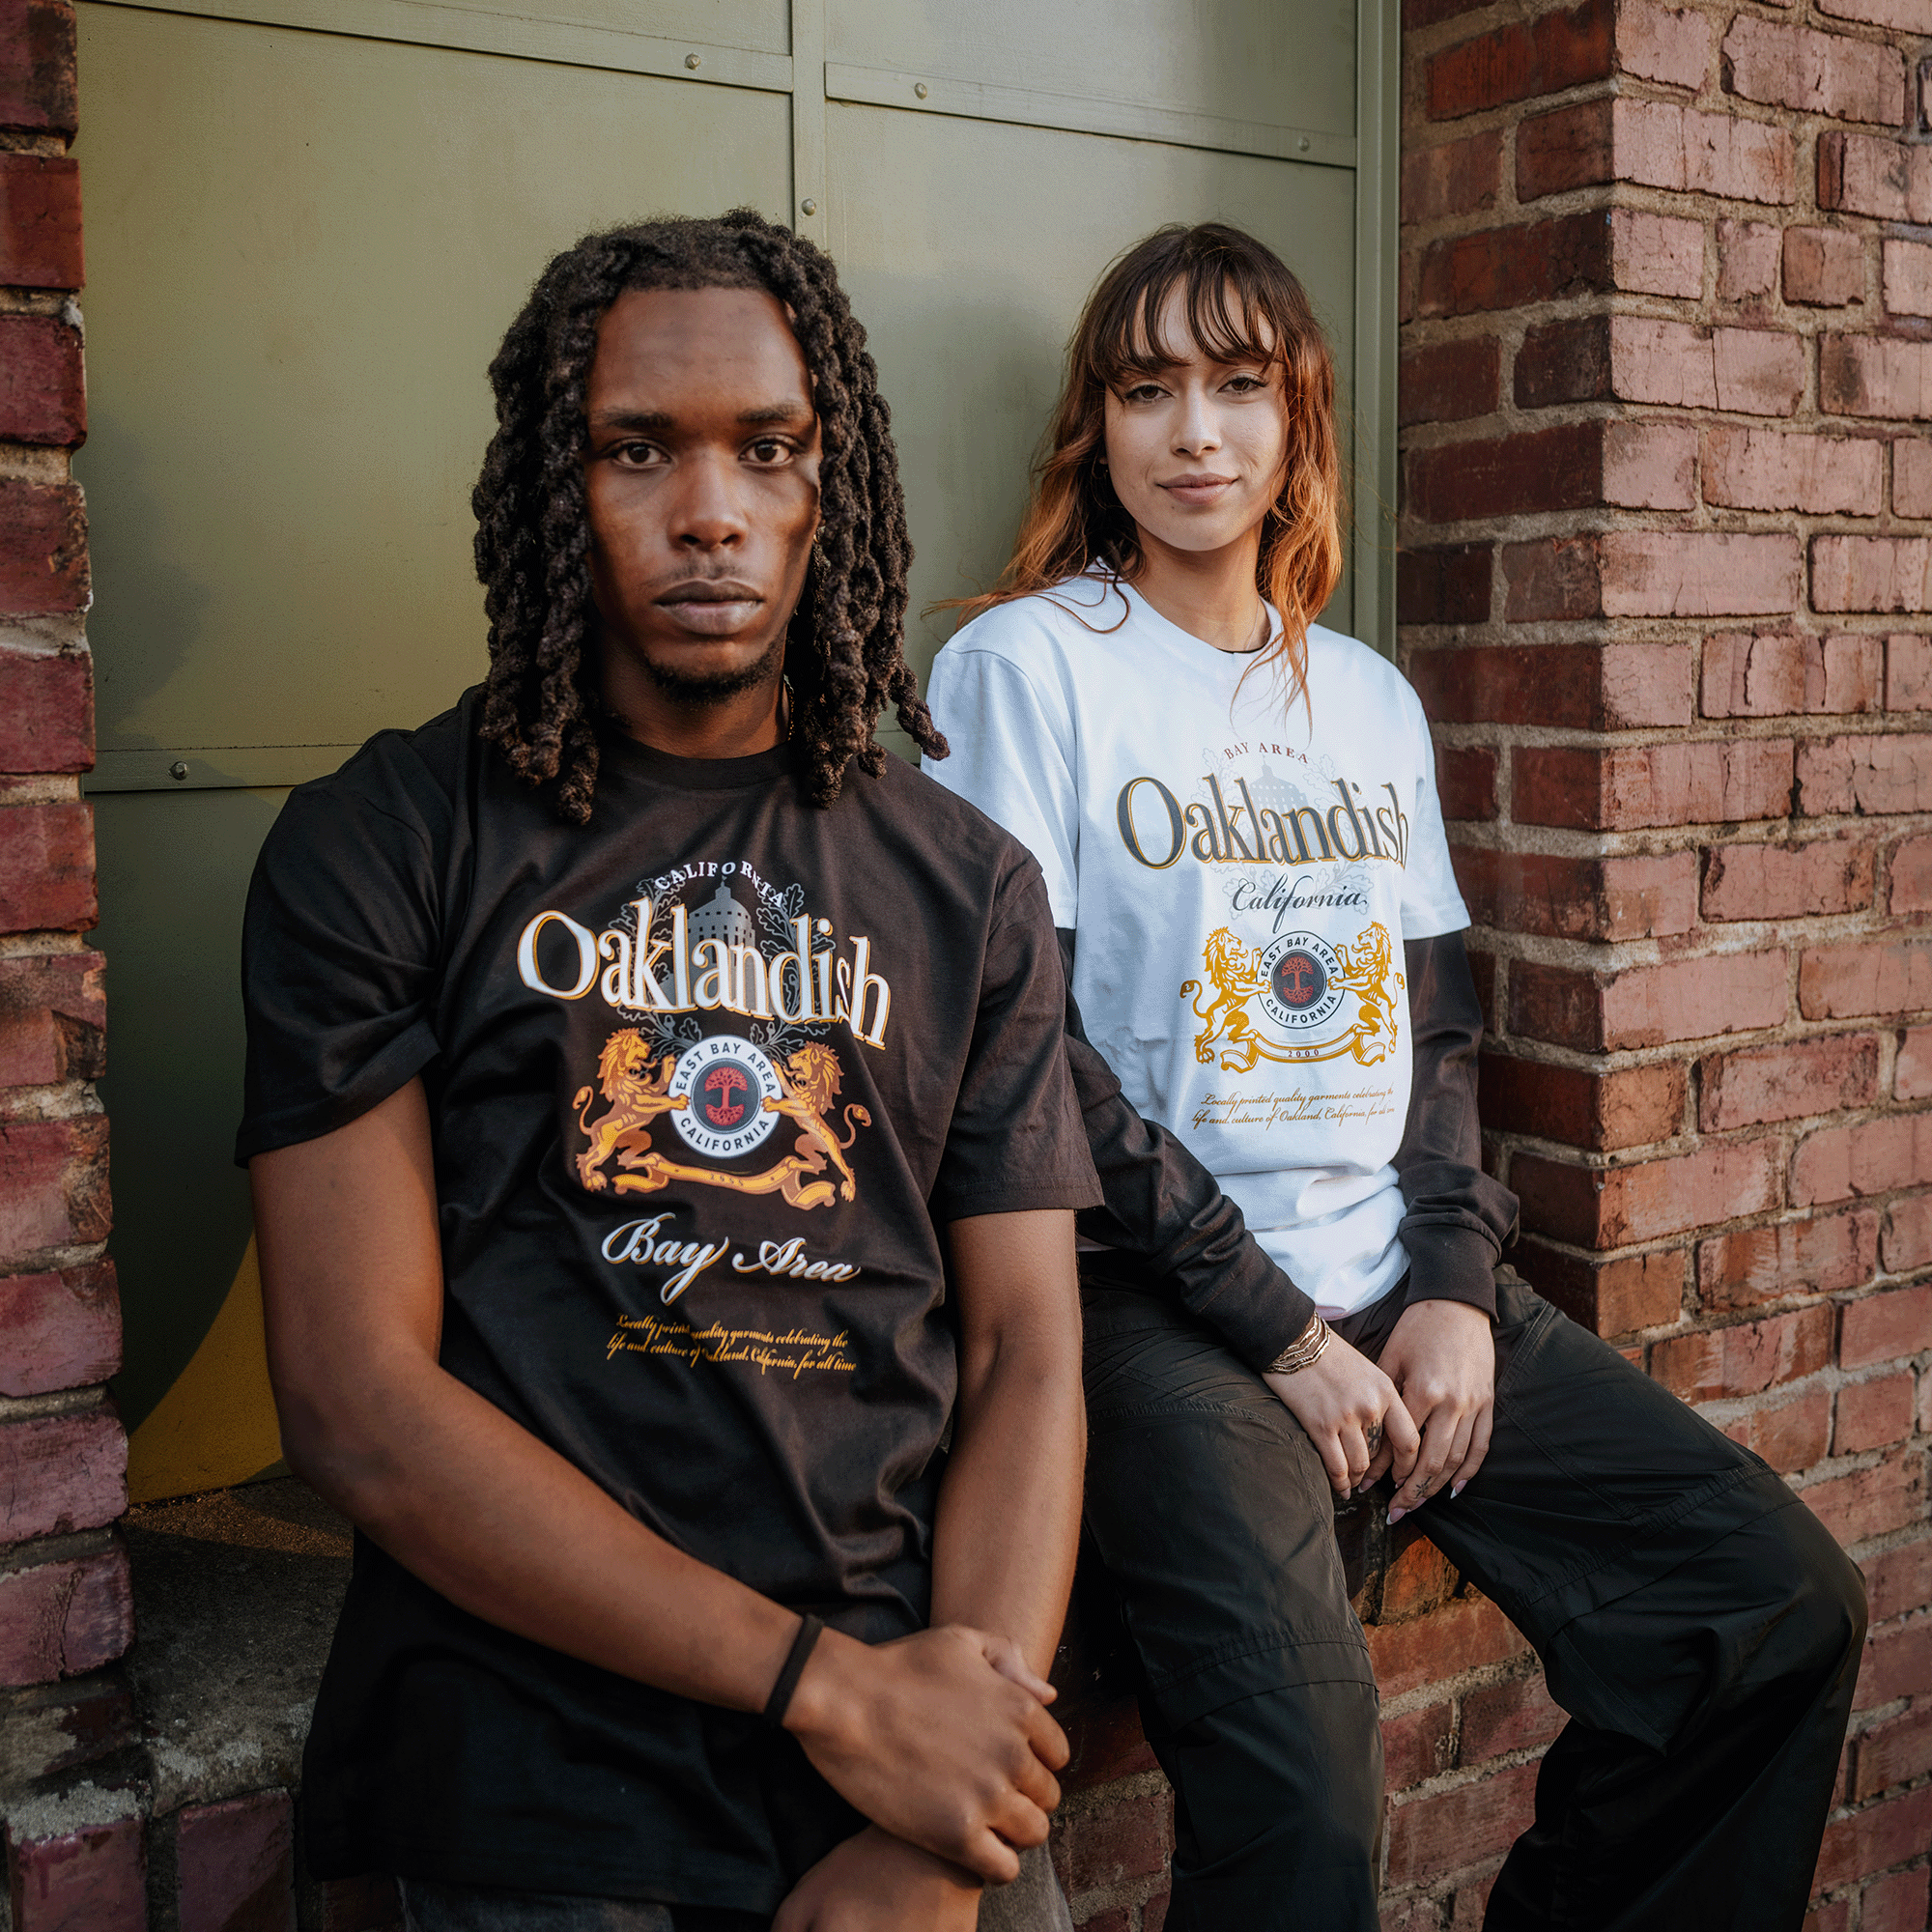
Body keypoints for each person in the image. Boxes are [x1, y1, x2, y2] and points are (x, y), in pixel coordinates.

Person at [923, 220, 1867, 1931]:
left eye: (1239, 387)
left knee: (1770, 1607)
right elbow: (1020, 1048)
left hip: (1392, 1273)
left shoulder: (1360, 696)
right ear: (1096, 426)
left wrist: (1446, 1286)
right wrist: (1279, 1329)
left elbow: (1433, 1027)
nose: (1196, 433)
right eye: (1149, 390)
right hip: (1158, 1301)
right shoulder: (1024, 667)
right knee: (1305, 1801)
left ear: (1298, 426)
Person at [239, 211, 1100, 1932]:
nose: (708, 509)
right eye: (639, 448)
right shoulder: (385, 845)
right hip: (534, 1765)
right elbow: (356, 1403)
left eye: (765, 451)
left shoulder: (967, 886)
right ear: (556, 487)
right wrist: (828, 1696)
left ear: (825, 487)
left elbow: (1023, 1359)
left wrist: (948, 1802)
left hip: (913, 1731)